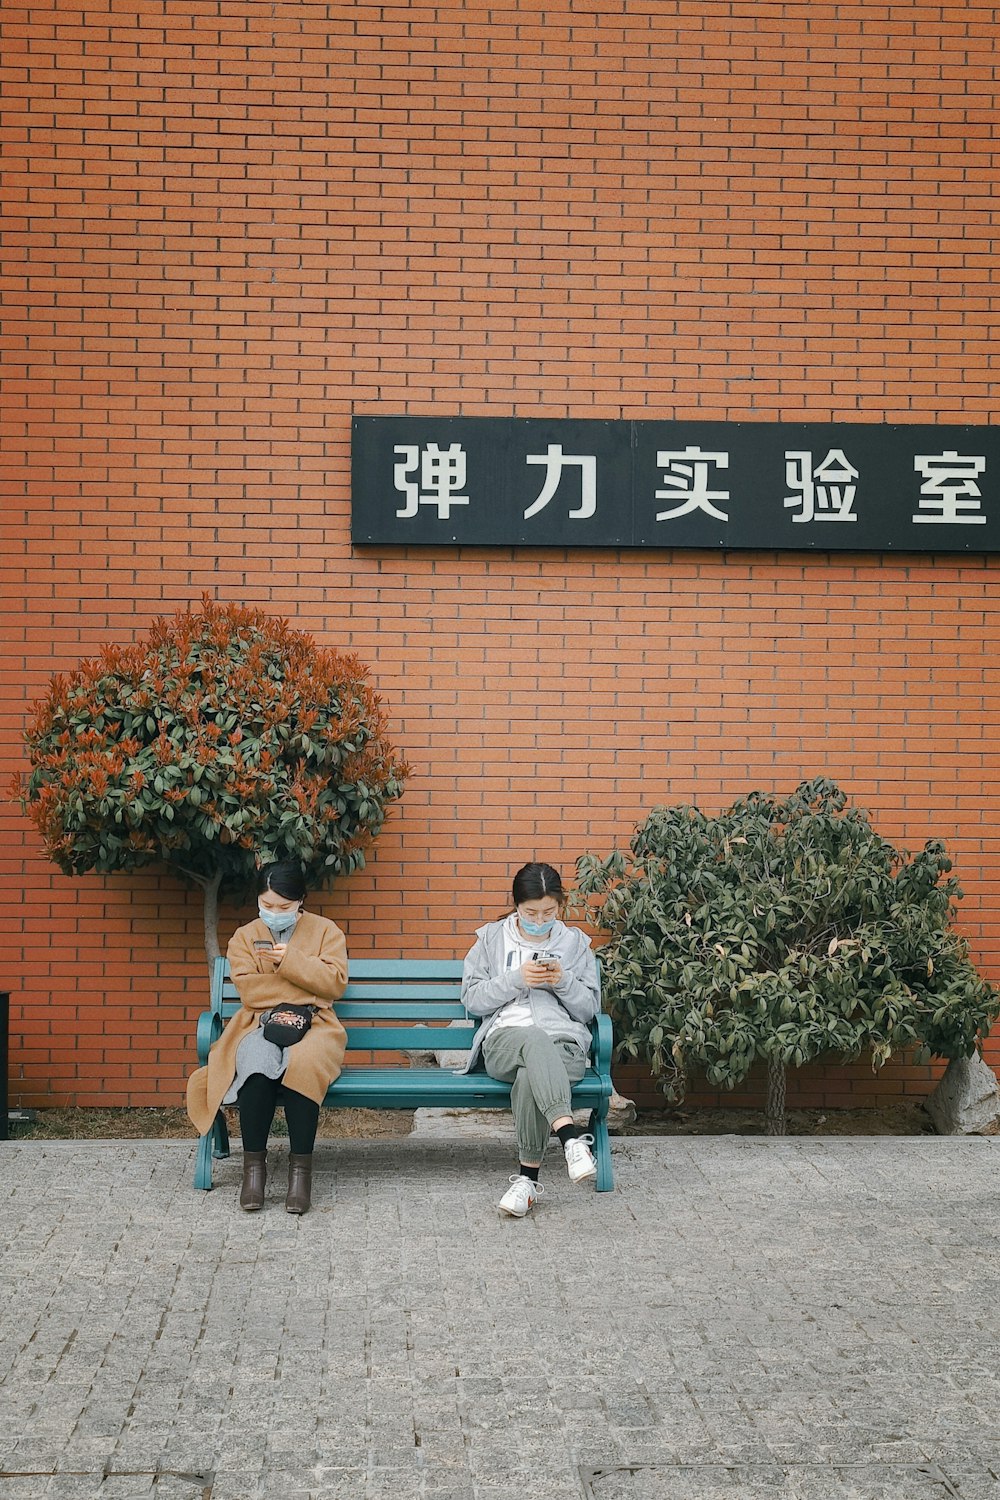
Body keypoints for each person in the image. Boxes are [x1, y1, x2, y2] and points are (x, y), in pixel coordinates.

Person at [186, 860, 348, 1215]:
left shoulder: (327, 931)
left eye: (284, 907)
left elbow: (334, 983)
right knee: (254, 1061)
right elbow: (250, 992)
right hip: (257, 1022)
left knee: (304, 1063)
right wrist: (309, 984)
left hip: (316, 1025)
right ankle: (253, 1172)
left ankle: (300, 1175)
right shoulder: (245, 935)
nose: (274, 913)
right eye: (267, 905)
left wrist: (290, 961)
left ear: (300, 901)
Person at [461, 861, 601, 1217]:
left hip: (564, 1044)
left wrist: (564, 981)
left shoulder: (575, 944)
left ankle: (526, 1183)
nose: (539, 920)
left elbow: (588, 1009)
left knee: (530, 1075)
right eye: (530, 913)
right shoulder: (491, 939)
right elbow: (473, 999)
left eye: (548, 912)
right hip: (504, 1041)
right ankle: (571, 1139)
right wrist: (516, 979)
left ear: (561, 906)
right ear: (516, 905)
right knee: (532, 1040)